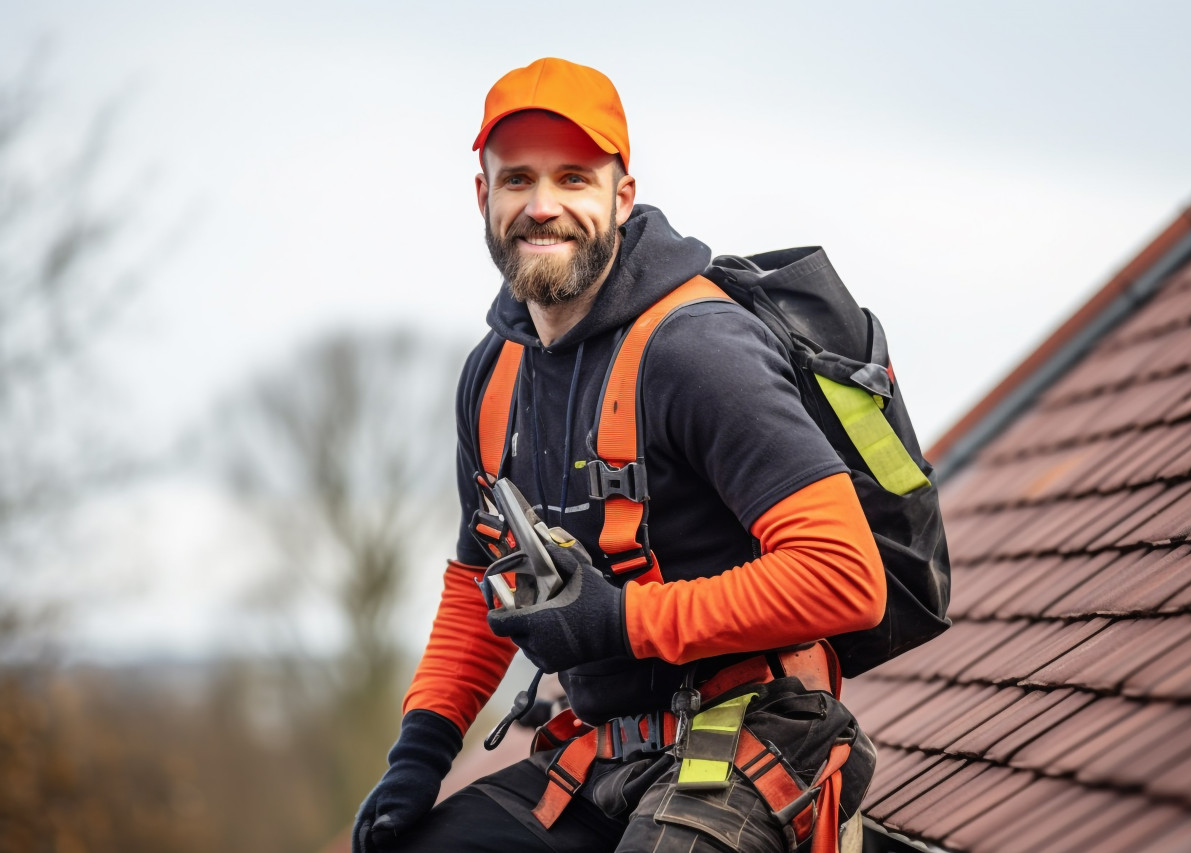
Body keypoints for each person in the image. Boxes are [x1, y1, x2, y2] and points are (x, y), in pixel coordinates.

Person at [353, 57, 887, 853]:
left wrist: (622, 619)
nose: (543, 206)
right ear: (483, 197)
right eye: (517, 181)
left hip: (752, 734)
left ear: (621, 197)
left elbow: (846, 577)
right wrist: (419, 754)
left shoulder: (698, 351)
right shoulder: (494, 375)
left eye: (574, 178)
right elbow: (481, 582)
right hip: (599, 747)